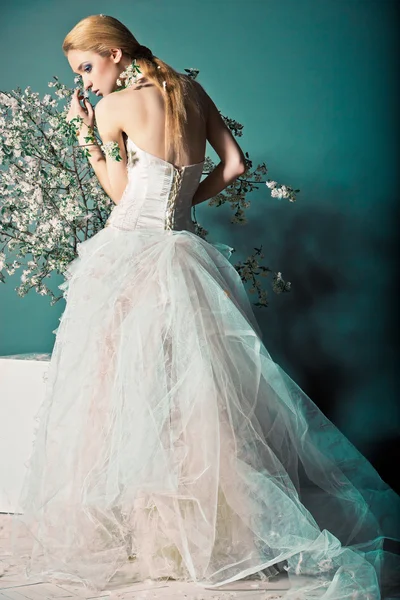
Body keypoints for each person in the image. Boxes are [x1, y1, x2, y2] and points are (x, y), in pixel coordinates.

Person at [9, 14, 400, 600]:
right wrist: (186, 204)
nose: (86, 83)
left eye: (88, 68)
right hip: (186, 252)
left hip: (129, 255)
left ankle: (156, 534)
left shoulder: (115, 108)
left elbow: (118, 193)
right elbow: (234, 166)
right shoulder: (190, 92)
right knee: (199, 396)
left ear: (116, 54)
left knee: (120, 394)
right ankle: (216, 533)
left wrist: (83, 131)